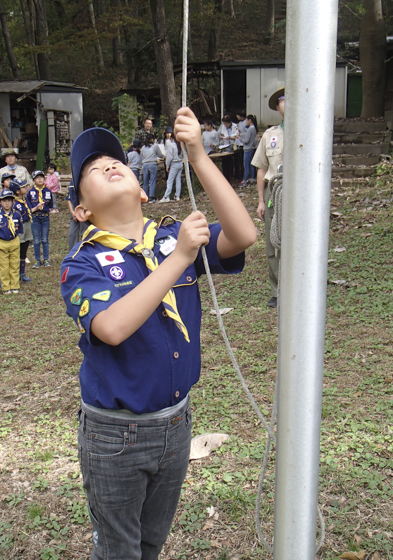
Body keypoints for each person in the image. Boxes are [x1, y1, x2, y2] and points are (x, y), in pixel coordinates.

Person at [60, 107, 257, 560]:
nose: (109, 165)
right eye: (92, 168)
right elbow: (111, 327)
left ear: (143, 192)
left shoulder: (171, 238)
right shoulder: (82, 264)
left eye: (115, 161)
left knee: (151, 544)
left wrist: (199, 158)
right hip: (115, 435)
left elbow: (243, 234)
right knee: (119, 551)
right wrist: (180, 258)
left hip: (176, 424)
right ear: (81, 209)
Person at [252, 87, 284, 309]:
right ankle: (277, 290)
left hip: (301, 193)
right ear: (277, 107)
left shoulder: (310, 130)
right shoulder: (270, 136)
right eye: (283, 100)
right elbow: (262, 169)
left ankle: (302, 287)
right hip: (276, 191)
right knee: (274, 243)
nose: (288, 103)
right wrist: (261, 200)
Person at [0, 189, 23, 294]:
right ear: (0, 202)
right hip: (1, 242)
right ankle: (5, 287)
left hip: (14, 241)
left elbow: (20, 229)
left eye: (9, 200)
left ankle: (15, 285)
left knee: (14, 264)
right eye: (4, 201)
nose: (7, 203)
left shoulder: (17, 215)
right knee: (4, 266)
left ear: (13, 201)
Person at [26, 170, 53, 268]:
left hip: (45, 217)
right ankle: (37, 260)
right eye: (37, 178)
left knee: (45, 239)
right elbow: (28, 208)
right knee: (36, 240)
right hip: (35, 217)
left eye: (41, 177)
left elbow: (50, 205)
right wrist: (36, 207)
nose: (40, 179)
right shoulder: (30, 192)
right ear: (33, 180)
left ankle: (46, 259)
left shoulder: (48, 191)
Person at [9, 179, 33, 283]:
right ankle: (14, 273)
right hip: (20, 227)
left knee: (24, 250)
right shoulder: (14, 203)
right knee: (17, 251)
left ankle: (22, 273)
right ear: (17, 191)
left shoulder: (25, 200)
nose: (26, 188)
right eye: (23, 187)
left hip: (27, 225)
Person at [159, 130, 183, 202]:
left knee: (170, 181)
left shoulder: (171, 145)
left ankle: (166, 196)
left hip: (174, 164)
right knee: (178, 180)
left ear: (172, 138)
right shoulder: (180, 145)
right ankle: (177, 195)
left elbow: (169, 156)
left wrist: (167, 165)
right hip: (180, 163)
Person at [66, 178, 88, 251]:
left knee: (84, 234)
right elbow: (69, 198)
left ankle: (84, 253)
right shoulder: (72, 182)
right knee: (72, 234)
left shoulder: (86, 180)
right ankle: (72, 254)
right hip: (74, 209)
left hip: (84, 209)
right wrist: (72, 212)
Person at [141, 133, 163, 203]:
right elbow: (160, 155)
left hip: (145, 165)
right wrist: (164, 156)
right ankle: (151, 197)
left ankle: (145, 197)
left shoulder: (143, 147)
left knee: (145, 182)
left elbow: (142, 156)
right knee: (152, 180)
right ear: (152, 139)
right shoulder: (155, 146)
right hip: (152, 164)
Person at [217, 115, 239, 181]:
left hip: (233, 145)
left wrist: (230, 137)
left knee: (235, 162)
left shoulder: (235, 126)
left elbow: (237, 136)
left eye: (226, 123)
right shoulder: (222, 126)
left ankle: (235, 177)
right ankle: (225, 177)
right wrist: (221, 137)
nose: (225, 125)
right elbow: (219, 134)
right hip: (225, 146)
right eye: (224, 123)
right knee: (225, 162)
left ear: (230, 122)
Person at [239, 114, 259, 187]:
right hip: (252, 148)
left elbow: (246, 140)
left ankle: (244, 180)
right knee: (251, 164)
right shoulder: (253, 128)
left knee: (246, 165)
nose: (246, 122)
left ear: (249, 120)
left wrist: (239, 138)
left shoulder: (250, 129)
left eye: (246, 120)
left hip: (247, 149)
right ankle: (252, 178)